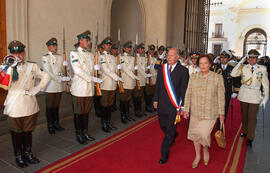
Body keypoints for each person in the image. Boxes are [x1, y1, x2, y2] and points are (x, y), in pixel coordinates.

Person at [3, 40, 50, 168]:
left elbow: (46, 76)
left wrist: (38, 88)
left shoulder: (32, 66)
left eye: (20, 53)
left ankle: (28, 153)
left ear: (24, 52)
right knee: (16, 131)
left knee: (28, 130)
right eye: (15, 53)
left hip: (29, 102)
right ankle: (19, 156)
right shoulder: (5, 67)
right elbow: (3, 85)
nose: (19, 56)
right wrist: (9, 68)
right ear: (11, 54)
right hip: (15, 104)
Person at [183, 54, 225, 168]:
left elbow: (221, 96)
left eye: (205, 63)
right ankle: (197, 155)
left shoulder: (217, 77)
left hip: (210, 113)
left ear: (210, 64)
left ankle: (205, 149)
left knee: (204, 134)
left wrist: (222, 113)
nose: (203, 65)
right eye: (200, 63)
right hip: (196, 112)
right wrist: (186, 109)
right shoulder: (193, 76)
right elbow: (188, 94)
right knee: (196, 135)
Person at [153, 48, 189, 164]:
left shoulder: (183, 71)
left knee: (169, 131)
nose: (169, 58)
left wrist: (183, 106)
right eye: (168, 55)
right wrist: (155, 99)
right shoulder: (162, 68)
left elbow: (184, 89)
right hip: (162, 104)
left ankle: (164, 154)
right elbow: (158, 85)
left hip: (174, 106)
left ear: (177, 57)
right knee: (163, 125)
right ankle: (173, 133)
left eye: (172, 56)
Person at [231, 49, 269, 147]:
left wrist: (266, 98)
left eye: (254, 58)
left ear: (257, 59)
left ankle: (250, 137)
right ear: (248, 58)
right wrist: (241, 61)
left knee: (252, 118)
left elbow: (266, 85)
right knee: (244, 115)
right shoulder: (244, 67)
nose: (252, 59)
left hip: (255, 95)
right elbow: (233, 74)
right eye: (250, 57)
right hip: (244, 94)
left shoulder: (262, 69)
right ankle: (245, 130)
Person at [70, 30, 102, 144]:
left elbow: (93, 69)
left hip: (89, 89)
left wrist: (97, 68)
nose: (89, 43)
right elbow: (77, 70)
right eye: (87, 40)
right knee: (79, 113)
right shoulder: (74, 53)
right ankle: (78, 134)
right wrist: (92, 79)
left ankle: (85, 132)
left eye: (89, 41)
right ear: (80, 41)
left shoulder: (91, 55)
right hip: (79, 89)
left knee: (86, 112)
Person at [42, 37, 69, 134]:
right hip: (50, 85)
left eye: (56, 45)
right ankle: (50, 125)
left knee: (56, 105)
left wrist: (66, 67)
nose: (55, 47)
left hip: (59, 86)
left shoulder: (60, 57)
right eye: (53, 45)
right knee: (50, 106)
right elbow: (48, 72)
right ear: (48, 47)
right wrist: (60, 79)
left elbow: (62, 70)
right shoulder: (45, 57)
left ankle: (56, 123)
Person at [99, 37, 121, 132]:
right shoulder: (101, 57)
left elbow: (115, 70)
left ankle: (108, 122)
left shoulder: (113, 57)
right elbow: (106, 70)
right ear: (103, 46)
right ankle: (104, 124)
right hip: (105, 84)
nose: (109, 46)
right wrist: (117, 78)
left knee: (109, 105)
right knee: (104, 105)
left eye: (110, 45)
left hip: (112, 85)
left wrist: (118, 70)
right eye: (107, 44)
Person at [120, 41, 140, 123]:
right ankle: (123, 116)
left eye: (130, 47)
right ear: (124, 48)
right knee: (123, 100)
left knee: (128, 100)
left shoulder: (133, 57)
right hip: (125, 81)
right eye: (127, 47)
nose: (129, 49)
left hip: (131, 82)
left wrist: (136, 68)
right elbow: (125, 69)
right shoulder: (121, 57)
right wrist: (134, 76)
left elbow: (134, 68)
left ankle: (127, 115)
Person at [133, 43, 152, 117]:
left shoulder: (143, 58)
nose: (142, 50)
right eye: (141, 49)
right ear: (137, 50)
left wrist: (148, 68)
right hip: (139, 79)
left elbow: (144, 68)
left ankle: (140, 110)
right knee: (137, 96)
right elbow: (139, 69)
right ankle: (137, 111)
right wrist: (146, 75)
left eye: (143, 49)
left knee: (140, 96)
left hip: (143, 80)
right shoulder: (135, 58)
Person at [145, 44, 157, 112]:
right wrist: (147, 69)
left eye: (153, 50)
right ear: (149, 50)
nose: (152, 51)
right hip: (148, 78)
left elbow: (156, 68)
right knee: (148, 93)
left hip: (154, 78)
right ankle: (147, 106)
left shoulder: (155, 58)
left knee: (152, 93)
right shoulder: (146, 58)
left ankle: (151, 105)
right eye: (151, 50)